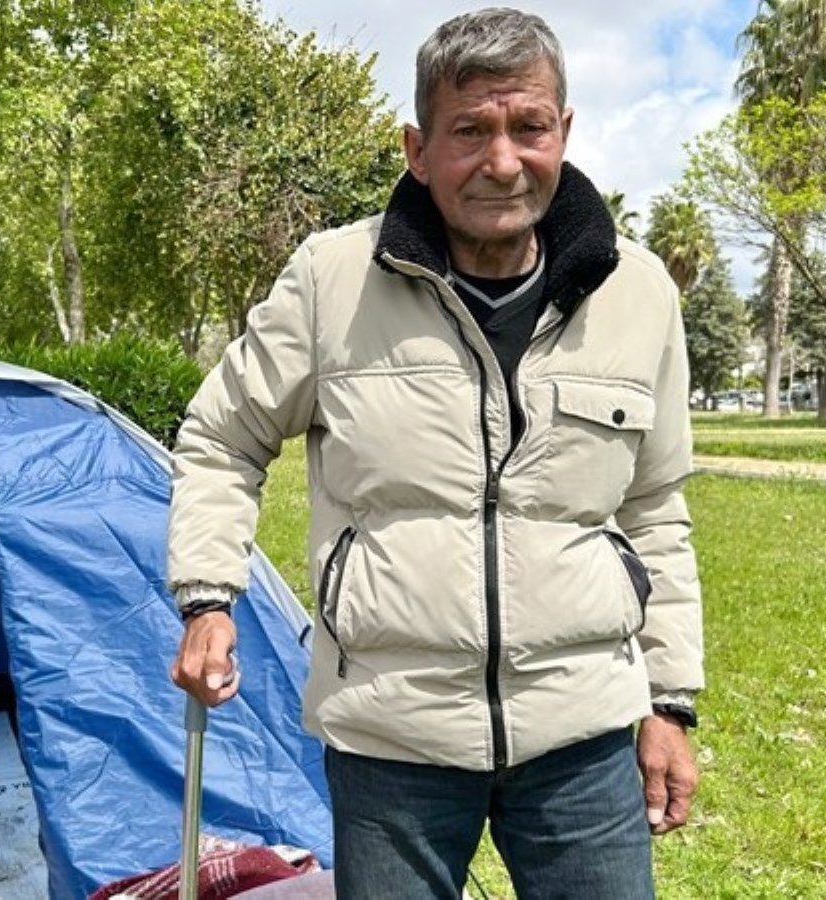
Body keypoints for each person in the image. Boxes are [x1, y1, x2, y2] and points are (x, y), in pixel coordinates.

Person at [166, 7, 703, 898]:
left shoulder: (640, 293)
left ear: (563, 131)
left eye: (529, 127)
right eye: (470, 131)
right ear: (418, 149)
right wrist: (207, 595)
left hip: (586, 737)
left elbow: (655, 510)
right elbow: (224, 435)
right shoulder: (330, 281)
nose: (502, 161)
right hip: (390, 740)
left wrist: (671, 702)